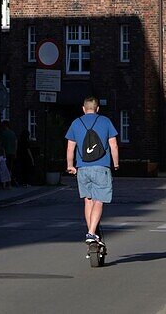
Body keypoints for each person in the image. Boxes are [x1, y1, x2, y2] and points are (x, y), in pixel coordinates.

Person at [65, 96, 119, 244]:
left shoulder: (76, 123)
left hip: (82, 168)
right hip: (101, 167)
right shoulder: (105, 121)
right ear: (97, 109)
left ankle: (92, 235)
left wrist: (70, 165)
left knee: (88, 201)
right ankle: (91, 232)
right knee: (99, 200)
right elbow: (113, 145)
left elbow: (70, 147)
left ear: (83, 108)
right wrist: (116, 164)